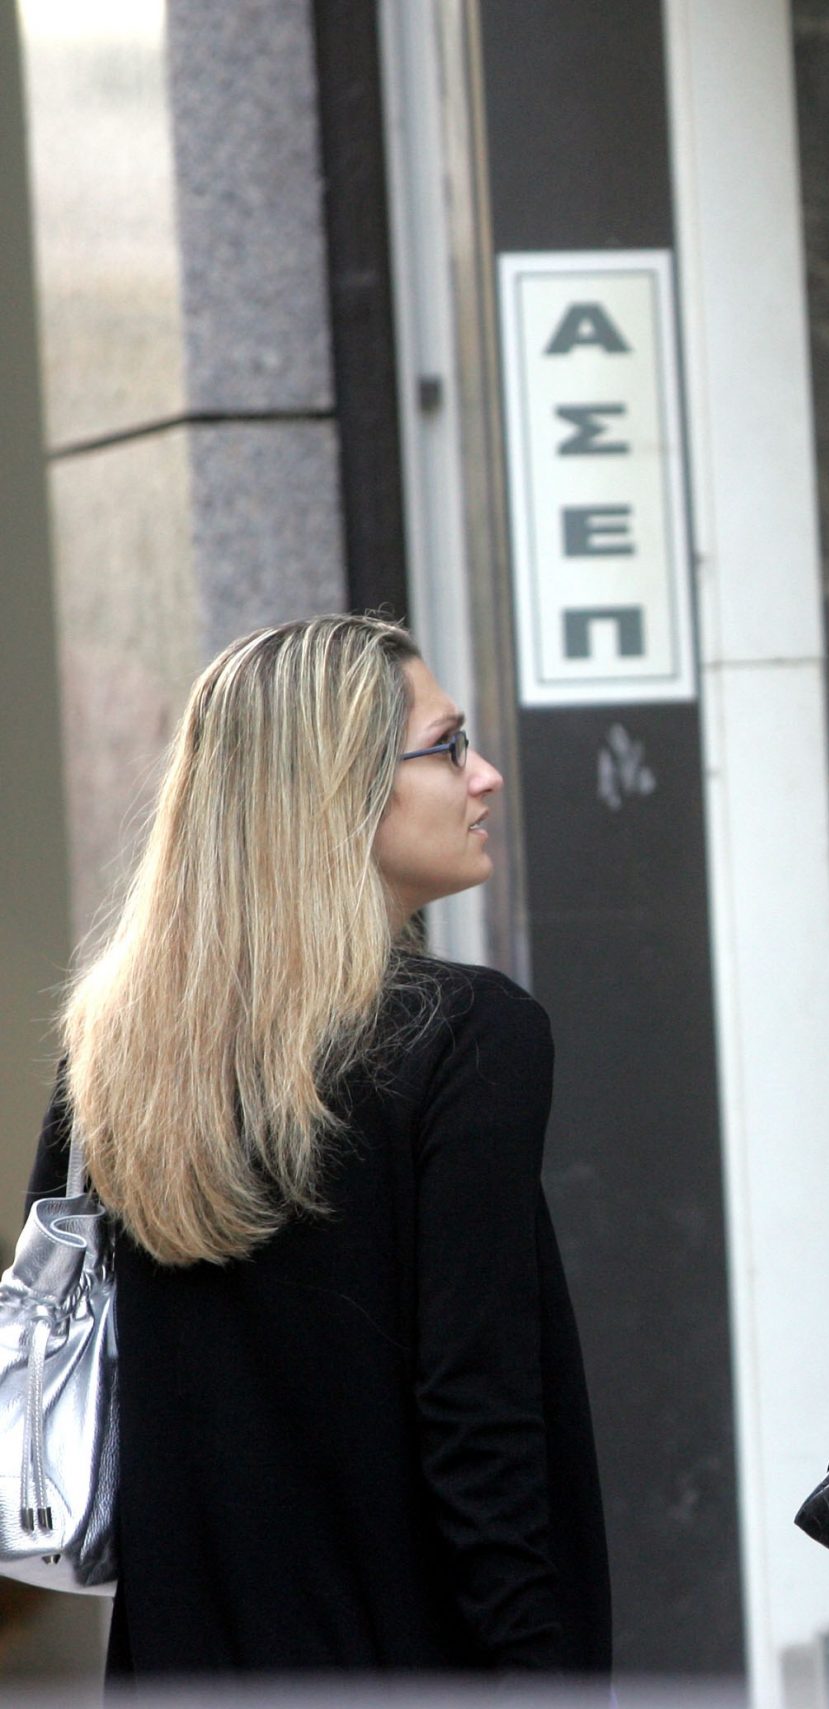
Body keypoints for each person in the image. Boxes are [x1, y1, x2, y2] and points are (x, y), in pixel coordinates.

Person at [25, 615, 611, 1679]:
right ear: (341, 789)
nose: (483, 776)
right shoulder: (469, 1035)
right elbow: (480, 1420)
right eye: (448, 746)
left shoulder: (110, 1048)